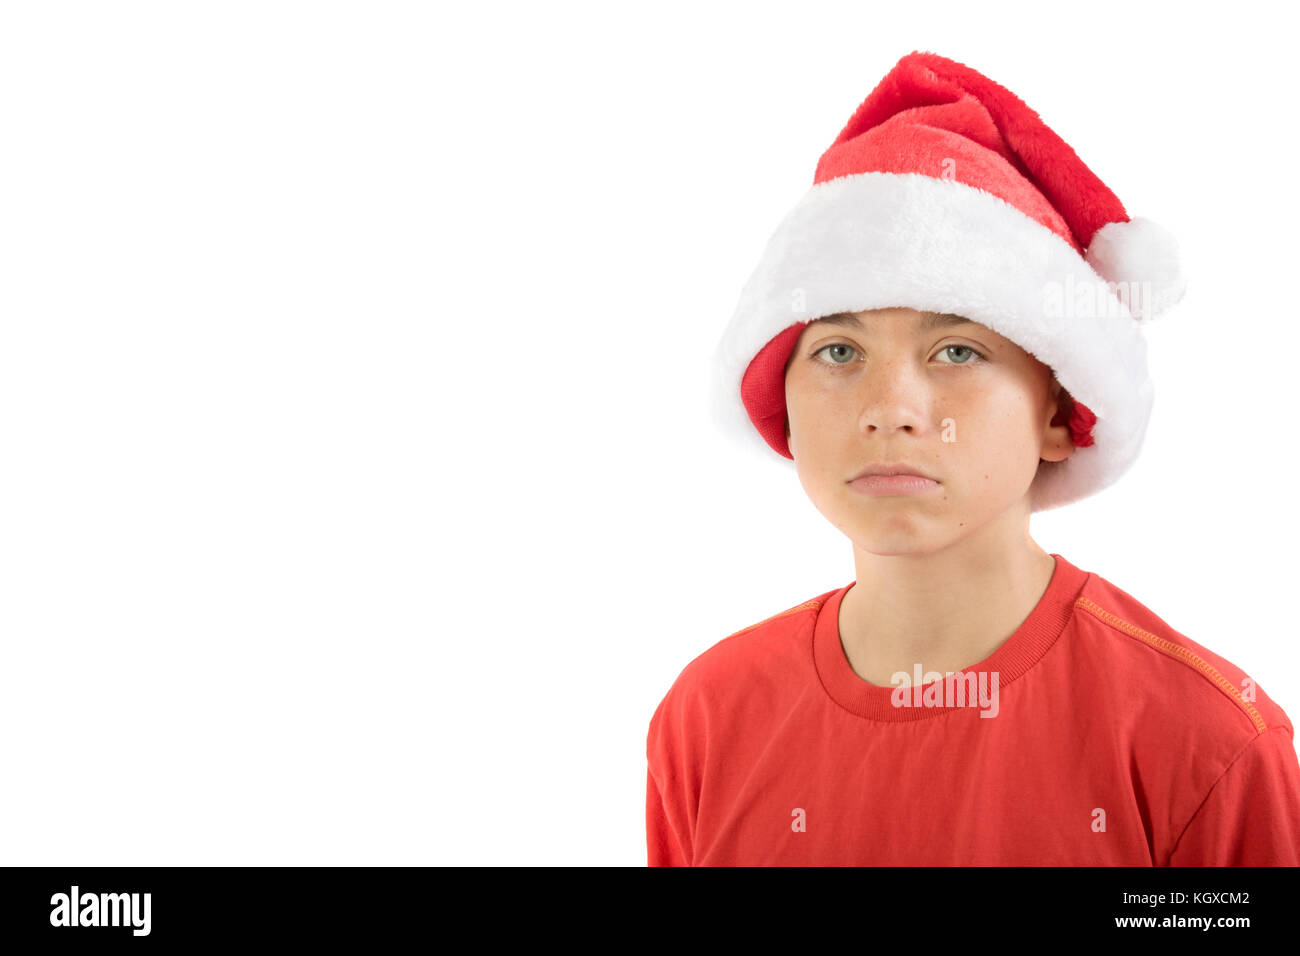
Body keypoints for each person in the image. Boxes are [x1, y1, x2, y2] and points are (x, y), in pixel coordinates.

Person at [645, 50, 1300, 866]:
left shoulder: (1205, 744)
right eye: (839, 350)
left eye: (956, 350)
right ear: (781, 404)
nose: (890, 410)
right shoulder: (707, 717)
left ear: (1060, 413)